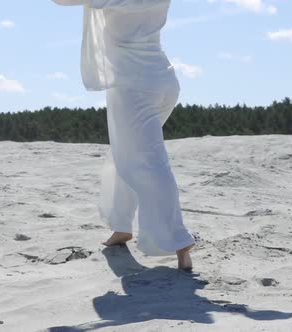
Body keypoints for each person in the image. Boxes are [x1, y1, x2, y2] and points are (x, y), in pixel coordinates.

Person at [51, 0, 195, 271]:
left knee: (148, 163)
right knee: (125, 152)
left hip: (134, 87)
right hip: (163, 81)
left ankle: (179, 241)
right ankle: (121, 226)